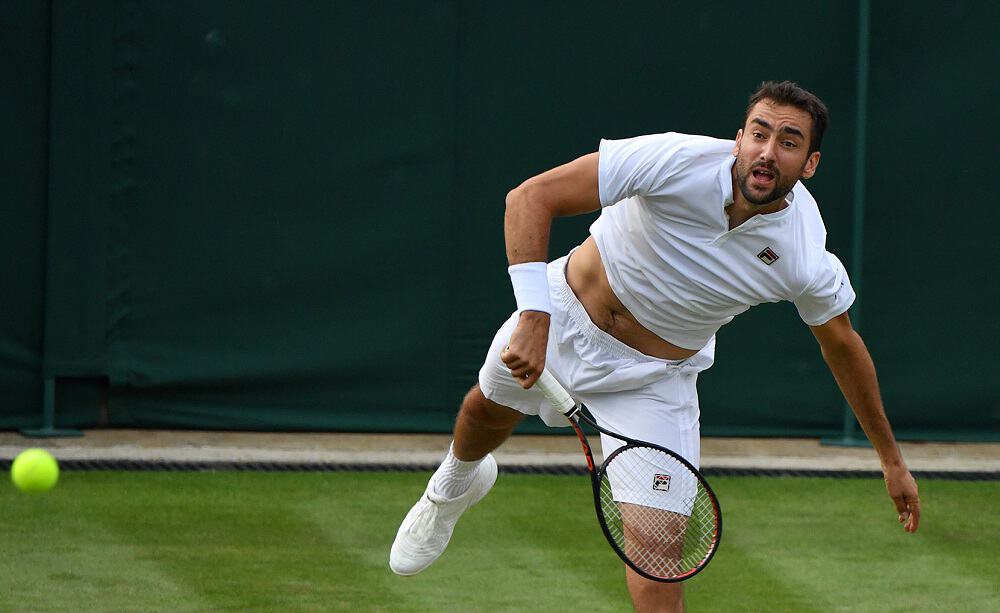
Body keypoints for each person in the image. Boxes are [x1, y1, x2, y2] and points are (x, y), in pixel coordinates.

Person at [389, 80, 921, 612]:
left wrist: (891, 459)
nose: (767, 151)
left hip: (652, 383)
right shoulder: (674, 159)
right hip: (563, 313)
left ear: (809, 163)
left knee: (658, 562)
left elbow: (842, 345)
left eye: (788, 141)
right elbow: (530, 197)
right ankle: (451, 488)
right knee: (486, 410)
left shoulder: (804, 254)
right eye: (759, 134)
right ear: (738, 139)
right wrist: (534, 317)